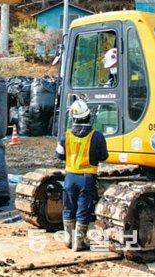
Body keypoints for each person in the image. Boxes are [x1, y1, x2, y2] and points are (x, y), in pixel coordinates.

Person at [55, 100, 108, 251]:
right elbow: (103, 156)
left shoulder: (66, 136)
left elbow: (59, 155)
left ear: (74, 118)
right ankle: (79, 242)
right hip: (87, 178)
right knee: (84, 208)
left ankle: (68, 239)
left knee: (69, 207)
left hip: (70, 177)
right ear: (88, 117)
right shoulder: (97, 136)